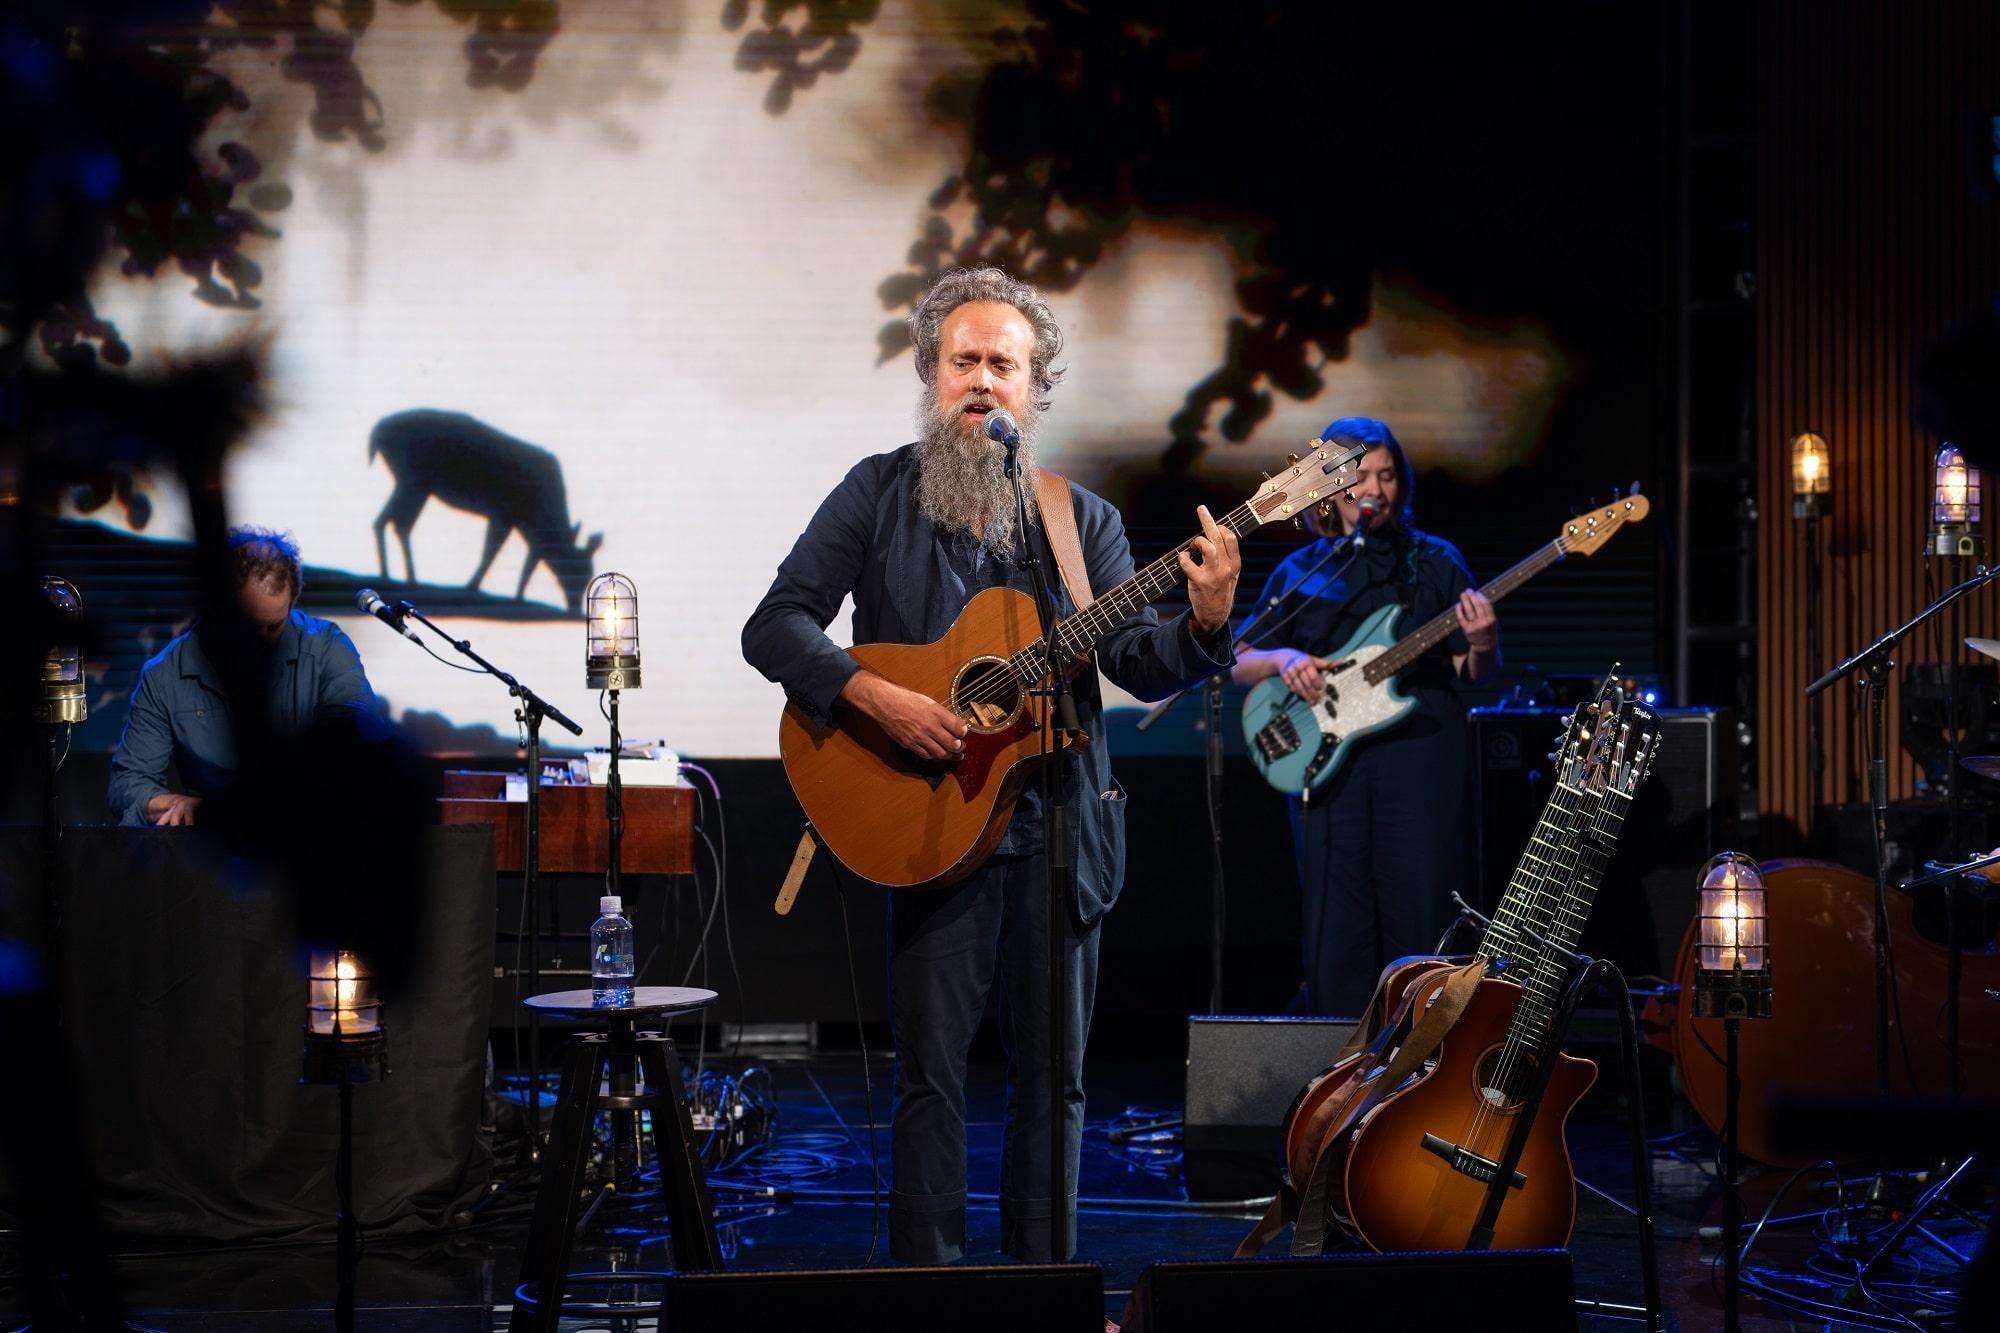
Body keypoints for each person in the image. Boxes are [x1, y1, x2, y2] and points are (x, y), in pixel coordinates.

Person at [741, 266, 1242, 1263]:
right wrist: (871, 693)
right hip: (930, 825)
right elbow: (775, 624)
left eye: (1001, 365)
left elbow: (1137, 659)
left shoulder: (1078, 520)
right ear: (931, 376)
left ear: (1033, 387)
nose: (980, 380)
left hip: (1060, 831)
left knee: (1055, 1083)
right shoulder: (876, 492)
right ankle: (931, 1293)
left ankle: (1043, 1291)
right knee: (930, 1077)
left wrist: (1206, 621)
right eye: (962, 360)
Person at [1229, 417, 1498, 1018]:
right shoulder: (1301, 571)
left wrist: (1483, 642)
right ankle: (1341, 1063)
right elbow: (1240, 659)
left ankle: (1423, 1056)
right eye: (1360, 477)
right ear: (1329, 487)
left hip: (1418, 765)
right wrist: (1284, 660)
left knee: (1420, 920)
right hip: (1327, 770)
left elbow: (1474, 671)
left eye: (1388, 475)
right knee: (1337, 932)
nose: (1375, 489)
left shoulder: (1436, 561)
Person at [109, 525, 380, 827]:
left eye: (274, 627)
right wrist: (180, 805)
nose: (259, 642)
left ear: (292, 601)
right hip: (215, 844)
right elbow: (127, 784)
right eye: (247, 626)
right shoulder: (165, 673)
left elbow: (357, 747)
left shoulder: (328, 647)